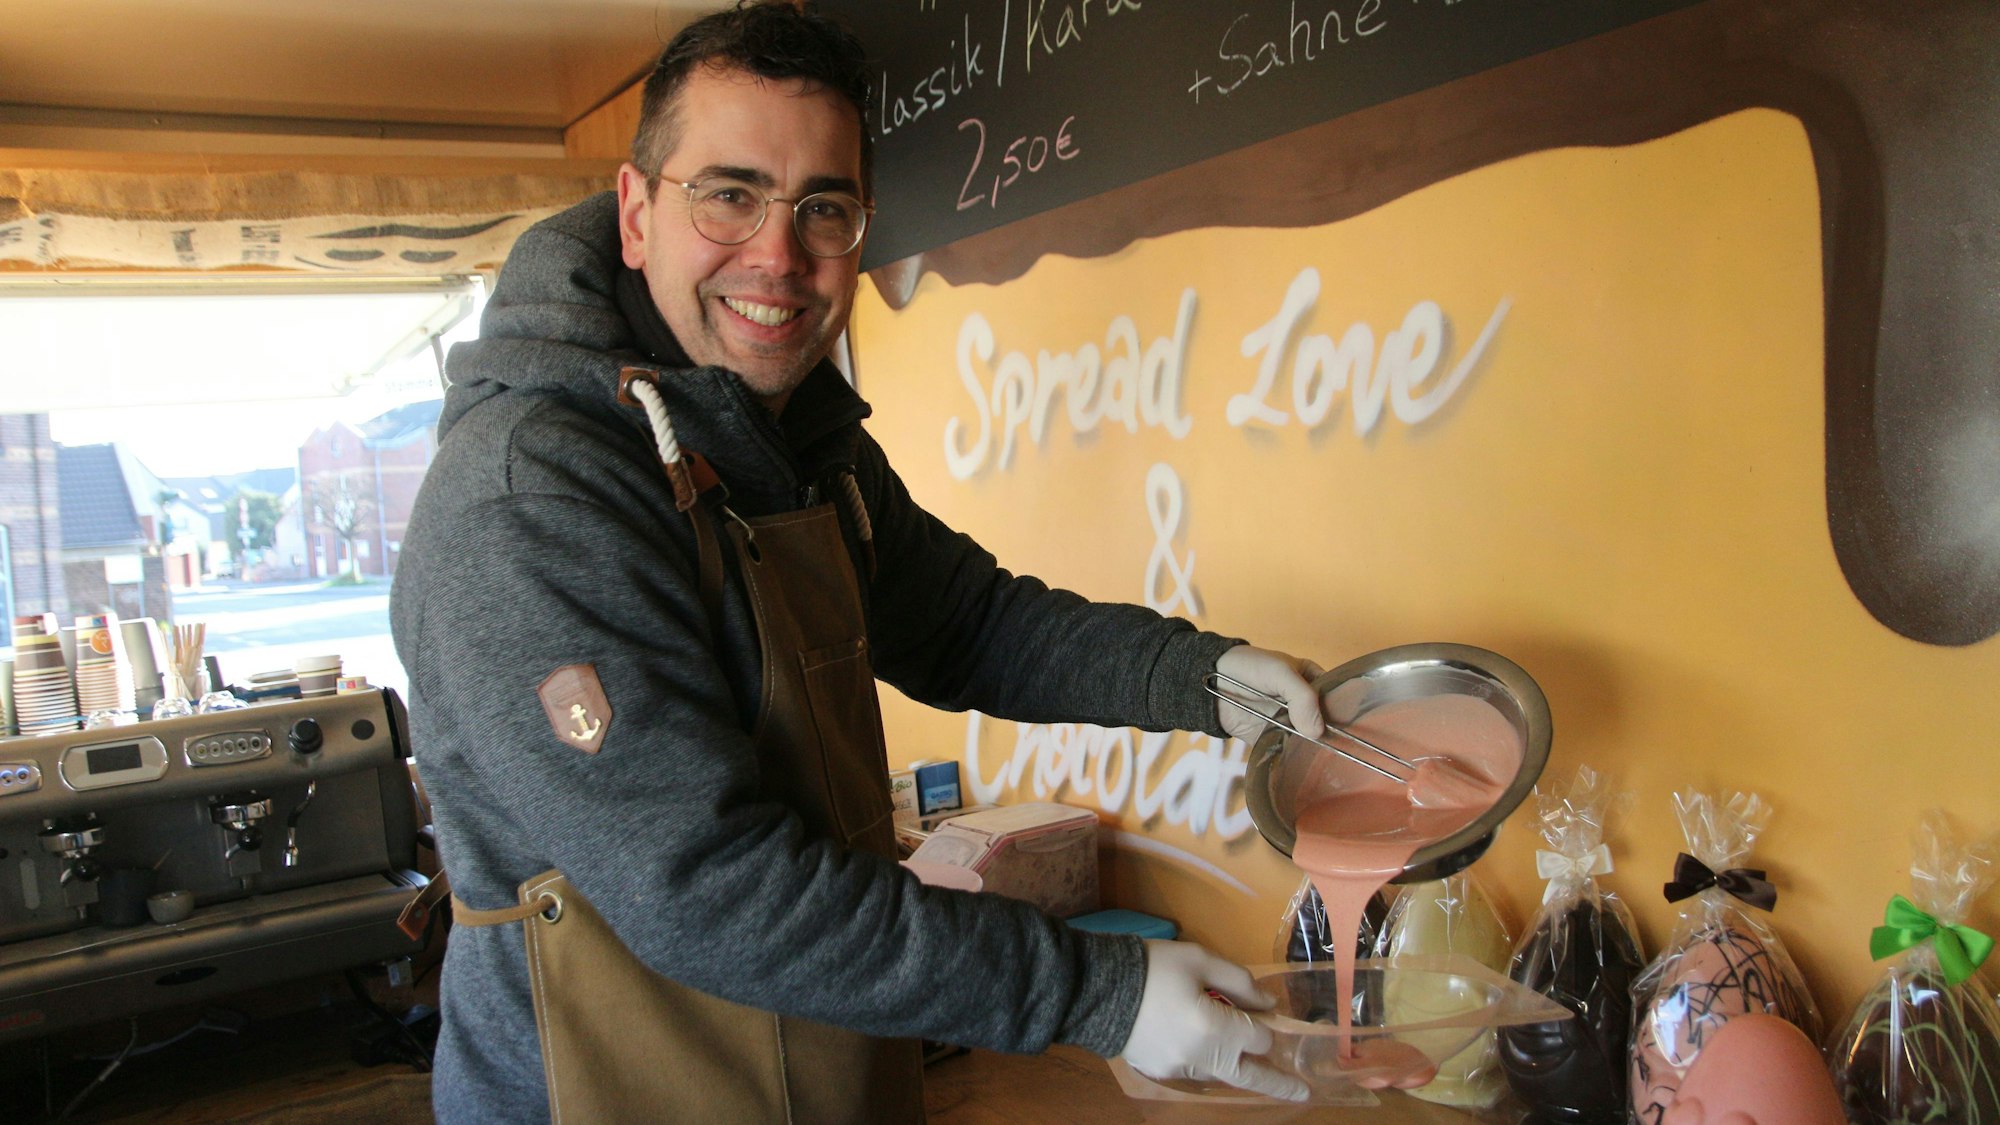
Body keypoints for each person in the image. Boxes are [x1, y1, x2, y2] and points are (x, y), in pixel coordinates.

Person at [390, 3, 1330, 1120]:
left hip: (821, 1058)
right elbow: (703, 888)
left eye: (821, 208)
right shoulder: (534, 490)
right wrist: (1095, 992)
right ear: (637, 213)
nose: (778, 259)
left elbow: (970, 624)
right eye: (728, 194)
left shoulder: (790, 439)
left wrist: (1200, 679)